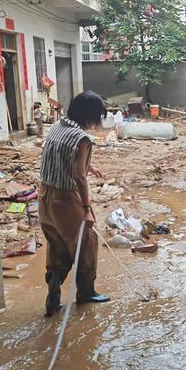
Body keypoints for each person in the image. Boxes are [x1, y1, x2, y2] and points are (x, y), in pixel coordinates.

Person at [39, 91, 110, 316]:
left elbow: (60, 158)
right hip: (66, 200)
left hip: (45, 198)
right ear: (90, 114)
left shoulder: (58, 127)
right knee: (86, 243)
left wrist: (89, 166)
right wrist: (87, 209)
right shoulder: (82, 138)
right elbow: (78, 178)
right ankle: (86, 292)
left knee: (57, 245)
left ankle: (53, 293)